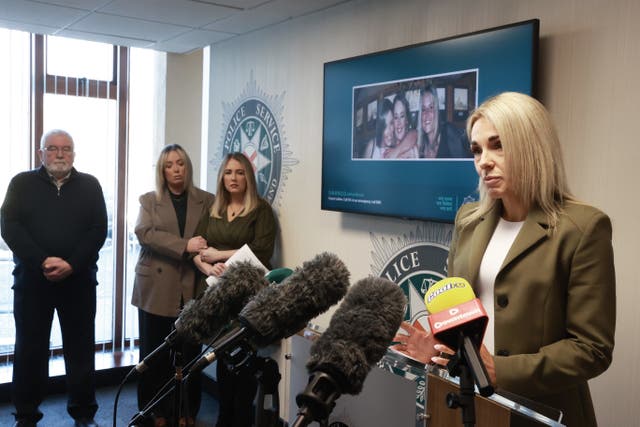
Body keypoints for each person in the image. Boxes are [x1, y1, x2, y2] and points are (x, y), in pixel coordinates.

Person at [393, 92, 615, 427]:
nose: (484, 160)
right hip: (464, 405)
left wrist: (500, 370)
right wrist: (439, 349)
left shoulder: (583, 228)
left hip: (541, 413)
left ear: (533, 146)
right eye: (477, 149)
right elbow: (461, 322)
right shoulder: (468, 220)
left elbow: (591, 349)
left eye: (498, 145)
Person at [1, 129, 108, 427]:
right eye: (52, 148)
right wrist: (42, 261)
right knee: (30, 350)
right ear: (41, 153)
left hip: (79, 283)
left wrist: (72, 264)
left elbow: (98, 229)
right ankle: (26, 414)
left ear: (74, 153)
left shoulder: (90, 185)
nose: (60, 154)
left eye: (66, 149)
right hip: (33, 283)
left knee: (81, 349)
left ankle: (84, 413)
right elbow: (9, 226)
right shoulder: (21, 184)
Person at [131, 144, 215, 427]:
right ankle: (153, 411)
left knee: (189, 353)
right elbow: (145, 233)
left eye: (180, 163)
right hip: (155, 284)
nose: (176, 169)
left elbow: (209, 237)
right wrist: (184, 245)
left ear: (187, 166)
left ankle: (186, 410)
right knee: (154, 353)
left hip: (191, 283)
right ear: (162, 170)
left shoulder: (207, 199)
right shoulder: (149, 199)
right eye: (169, 165)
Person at [193, 152, 277, 427]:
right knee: (222, 358)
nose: (233, 178)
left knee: (244, 363)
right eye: (228, 172)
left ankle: (241, 420)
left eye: (240, 172)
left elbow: (262, 252)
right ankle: (223, 418)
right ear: (222, 177)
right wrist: (208, 267)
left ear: (249, 177)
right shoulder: (214, 209)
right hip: (219, 296)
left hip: (247, 298)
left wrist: (219, 256)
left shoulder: (261, 210)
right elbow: (196, 249)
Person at [418, 83, 470, 158]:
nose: (426, 114)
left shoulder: (448, 132)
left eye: (431, 107)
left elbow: (465, 166)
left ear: (437, 110)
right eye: (423, 109)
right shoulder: (420, 144)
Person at [383, 92, 419, 159]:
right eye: (396, 117)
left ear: (406, 120)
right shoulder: (387, 145)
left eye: (402, 116)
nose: (399, 122)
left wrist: (396, 152)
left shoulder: (413, 148)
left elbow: (415, 132)